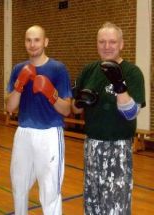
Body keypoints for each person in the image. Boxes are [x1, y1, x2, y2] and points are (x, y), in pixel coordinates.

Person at [72, 22, 146, 214]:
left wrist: (120, 86)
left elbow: (131, 113)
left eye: (112, 42)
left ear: (121, 44)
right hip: (91, 145)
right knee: (92, 201)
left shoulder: (132, 72)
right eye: (102, 42)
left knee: (116, 205)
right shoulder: (89, 70)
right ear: (97, 44)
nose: (107, 46)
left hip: (118, 146)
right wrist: (80, 102)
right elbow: (76, 109)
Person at [6, 25, 72, 215]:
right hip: (24, 132)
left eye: (37, 40)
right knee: (18, 186)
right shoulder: (19, 68)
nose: (32, 44)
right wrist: (19, 84)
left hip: (50, 133)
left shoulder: (58, 69)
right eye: (28, 40)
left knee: (50, 190)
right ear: (25, 43)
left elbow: (67, 110)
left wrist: (50, 94)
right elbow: (10, 107)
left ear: (45, 42)